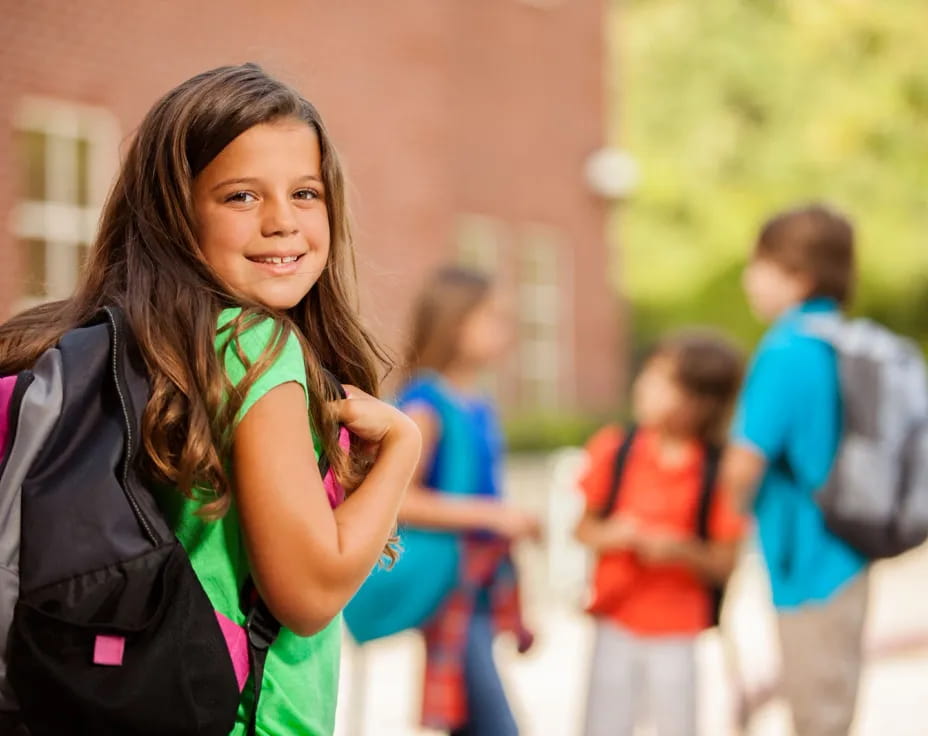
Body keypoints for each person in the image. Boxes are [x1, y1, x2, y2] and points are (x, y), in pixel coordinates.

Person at [0, 63, 421, 736]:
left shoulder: (132, 343)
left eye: (305, 193)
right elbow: (308, 593)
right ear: (175, 213)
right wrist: (403, 445)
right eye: (241, 197)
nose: (283, 222)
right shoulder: (256, 346)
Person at [722, 204, 868, 736]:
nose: (748, 278)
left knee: (815, 719)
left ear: (798, 276)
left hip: (805, 564)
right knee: (832, 708)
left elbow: (743, 463)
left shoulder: (788, 349)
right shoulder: (845, 340)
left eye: (760, 265)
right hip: (848, 554)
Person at [575, 330, 746, 736]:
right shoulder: (615, 449)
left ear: (700, 402)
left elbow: (725, 564)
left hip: (677, 630)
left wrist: (679, 550)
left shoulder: (718, 472)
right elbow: (583, 528)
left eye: (662, 381)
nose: (644, 387)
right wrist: (614, 535)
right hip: (614, 619)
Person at [397, 267, 539, 736]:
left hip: (478, 583)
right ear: (457, 323)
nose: (505, 330)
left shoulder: (477, 401)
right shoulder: (424, 404)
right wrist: (493, 516)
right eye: (493, 317)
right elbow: (398, 500)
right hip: (447, 583)